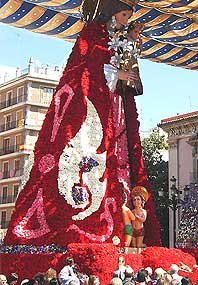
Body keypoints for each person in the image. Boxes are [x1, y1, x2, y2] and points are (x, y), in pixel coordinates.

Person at [3, 0, 161, 248]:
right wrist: (116, 74)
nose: (125, 19)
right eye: (123, 13)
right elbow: (86, 66)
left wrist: (131, 41)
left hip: (115, 103)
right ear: (111, 12)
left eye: (128, 15)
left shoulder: (116, 36)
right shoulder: (92, 34)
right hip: (93, 102)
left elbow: (120, 58)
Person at [131, 186, 148, 253]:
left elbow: (143, 219)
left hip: (140, 230)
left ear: (141, 201)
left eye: (138, 199)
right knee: (133, 247)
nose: (136, 201)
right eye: (134, 200)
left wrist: (137, 217)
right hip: (133, 231)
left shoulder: (143, 211)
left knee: (138, 247)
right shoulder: (132, 211)